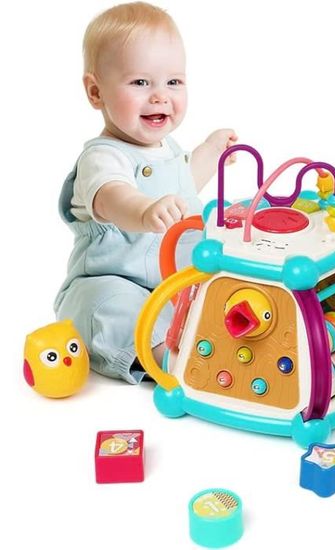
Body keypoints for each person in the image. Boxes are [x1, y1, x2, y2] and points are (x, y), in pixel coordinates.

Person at [55, 2, 237, 383]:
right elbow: (112, 197)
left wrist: (210, 152)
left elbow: (183, 185)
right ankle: (167, 360)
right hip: (114, 282)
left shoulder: (167, 149)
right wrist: (143, 210)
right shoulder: (102, 158)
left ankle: (220, 336)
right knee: (112, 309)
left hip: (172, 283)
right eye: (140, 83)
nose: (160, 96)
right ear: (96, 92)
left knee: (222, 272)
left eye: (174, 82)